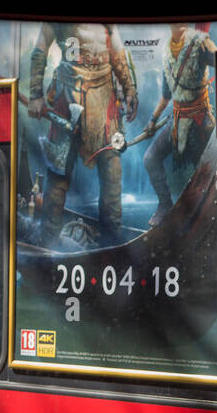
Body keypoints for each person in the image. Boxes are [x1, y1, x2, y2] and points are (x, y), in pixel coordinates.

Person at [25, 22, 138, 246]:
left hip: (104, 97)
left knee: (112, 173)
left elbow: (117, 52)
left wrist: (129, 88)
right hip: (68, 95)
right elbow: (40, 48)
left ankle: (111, 243)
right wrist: (35, 94)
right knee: (58, 175)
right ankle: (49, 243)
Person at [141, 23, 217, 227]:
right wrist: (152, 120)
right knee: (150, 158)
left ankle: (204, 217)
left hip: (200, 122)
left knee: (202, 173)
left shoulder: (200, 44)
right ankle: (165, 205)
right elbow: (166, 96)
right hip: (177, 121)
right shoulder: (167, 54)